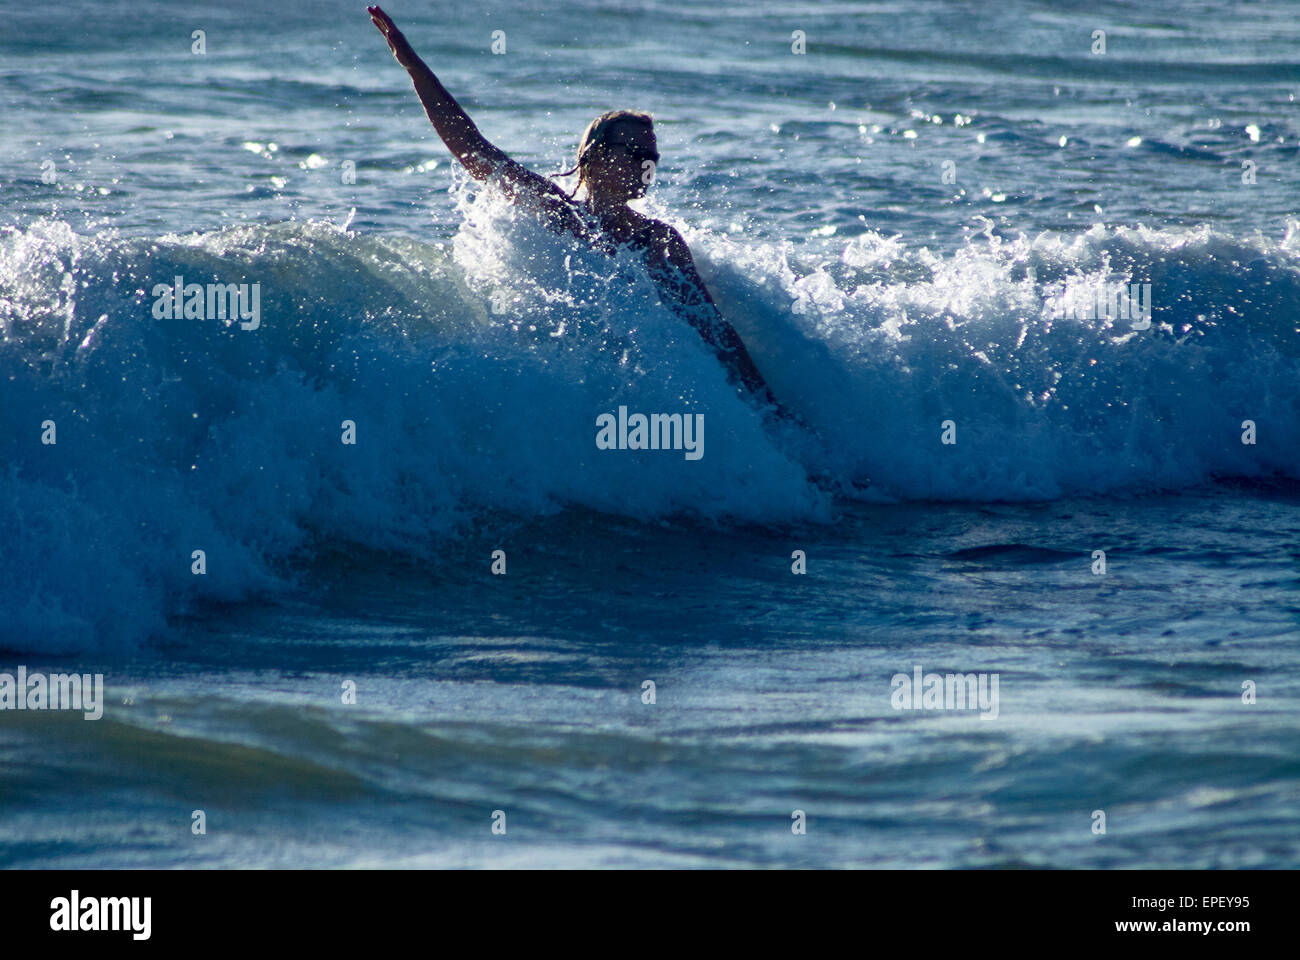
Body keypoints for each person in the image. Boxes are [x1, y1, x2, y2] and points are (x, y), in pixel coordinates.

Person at [367, 5, 781, 409]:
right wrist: (413, 67)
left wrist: (769, 409)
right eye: (633, 151)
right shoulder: (556, 212)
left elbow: (711, 330)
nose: (644, 163)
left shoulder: (657, 240)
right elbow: (474, 151)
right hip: (570, 390)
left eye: (650, 155)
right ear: (594, 156)